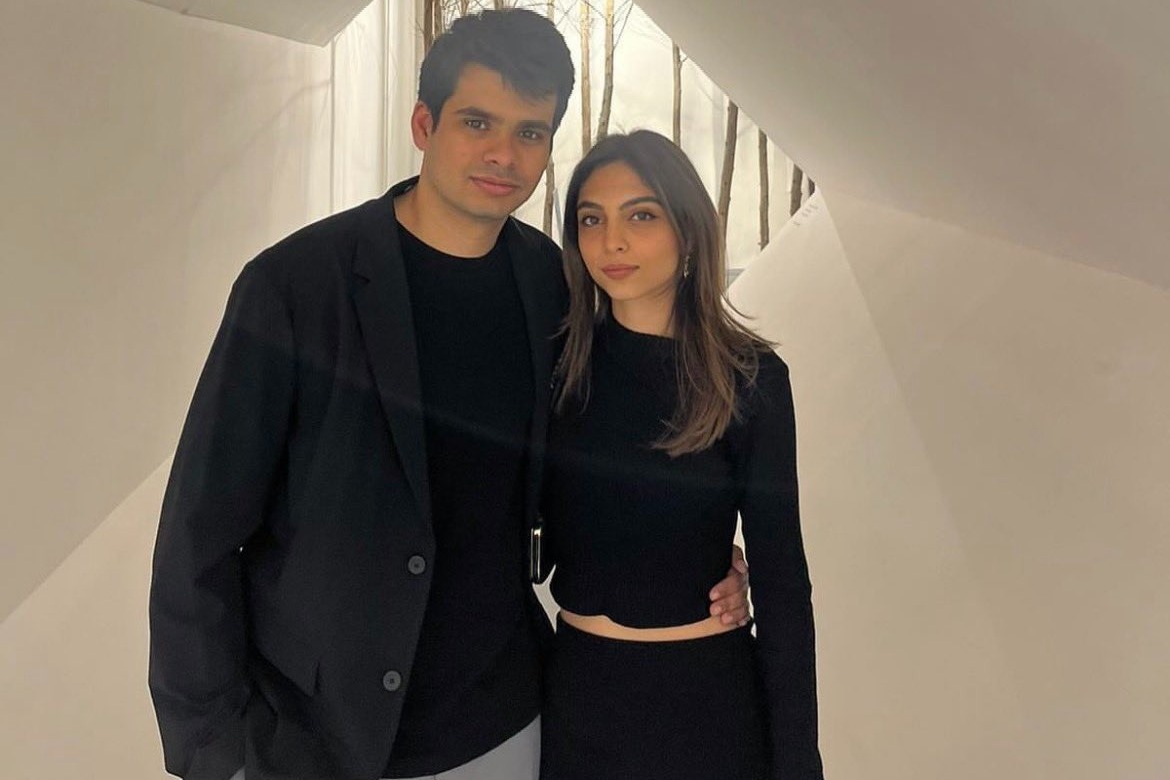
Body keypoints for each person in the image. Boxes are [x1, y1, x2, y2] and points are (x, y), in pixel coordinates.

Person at [148, 11, 750, 780]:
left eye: (530, 132)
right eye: (477, 122)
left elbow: (603, 461)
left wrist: (693, 555)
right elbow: (198, 533)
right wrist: (217, 754)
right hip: (319, 737)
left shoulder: (554, 286)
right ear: (423, 125)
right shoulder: (296, 286)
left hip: (502, 725)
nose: (504, 154)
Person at [540, 130, 824, 780]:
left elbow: (784, 583)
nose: (611, 241)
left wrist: (798, 764)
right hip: (575, 701)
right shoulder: (559, 369)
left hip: (704, 708)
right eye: (591, 219)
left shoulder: (748, 378)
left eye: (641, 215)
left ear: (688, 229)